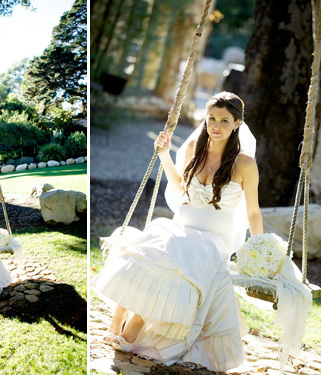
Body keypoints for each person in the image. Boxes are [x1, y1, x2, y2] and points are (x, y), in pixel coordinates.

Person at [92, 92, 263, 372]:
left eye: (224, 120)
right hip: (182, 227)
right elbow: (181, 186)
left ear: (237, 124)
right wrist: (164, 155)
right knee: (148, 241)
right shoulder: (196, 145)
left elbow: (253, 211)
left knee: (181, 250)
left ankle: (135, 323)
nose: (216, 126)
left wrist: (258, 249)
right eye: (211, 119)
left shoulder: (244, 164)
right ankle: (121, 314)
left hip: (213, 239)